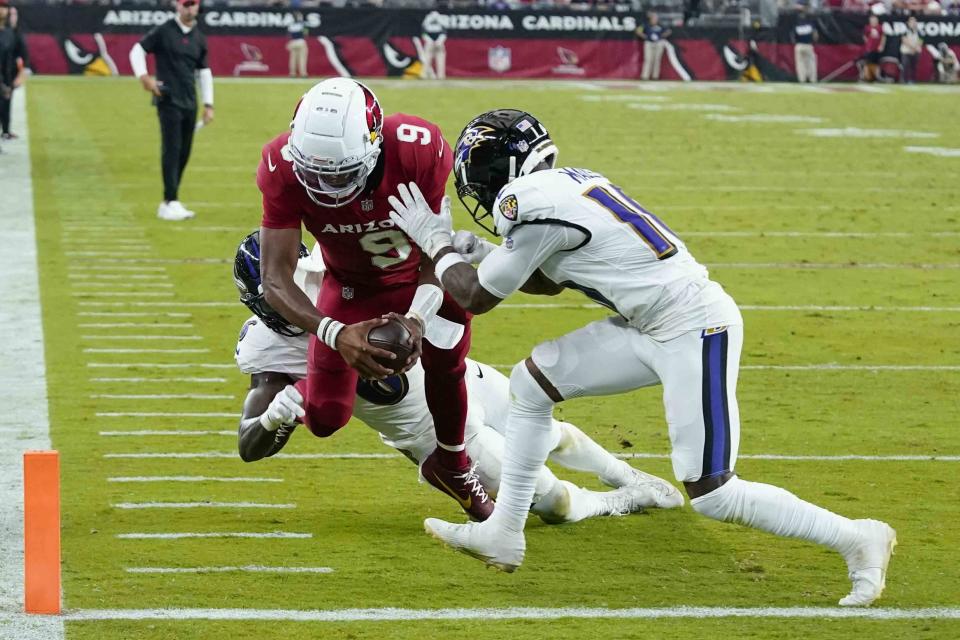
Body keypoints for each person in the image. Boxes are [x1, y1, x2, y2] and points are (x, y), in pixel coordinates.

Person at [388, 109, 897, 607]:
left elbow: (477, 298)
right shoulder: (567, 183)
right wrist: (481, 252)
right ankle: (504, 532)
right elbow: (548, 280)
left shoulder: (528, 201)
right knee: (529, 384)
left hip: (694, 327)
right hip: (647, 323)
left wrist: (436, 243)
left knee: (714, 492)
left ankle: (857, 537)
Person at [231, 231, 684, 525]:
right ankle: (618, 502)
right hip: (431, 435)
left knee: (550, 433)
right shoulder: (268, 350)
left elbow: (422, 275)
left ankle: (626, 476)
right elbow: (248, 447)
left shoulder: (339, 274)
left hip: (458, 378)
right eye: (277, 297)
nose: (289, 302)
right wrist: (274, 418)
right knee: (552, 504)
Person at [255, 78, 492, 522]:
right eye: (315, 172)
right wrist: (335, 332)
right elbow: (274, 278)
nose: (326, 184)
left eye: (341, 172)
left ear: (374, 144)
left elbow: (437, 253)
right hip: (350, 288)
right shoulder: (280, 164)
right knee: (325, 419)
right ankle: (306, 385)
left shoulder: (417, 148)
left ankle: (453, 465)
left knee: (447, 358)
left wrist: (417, 319)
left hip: (422, 275)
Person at [129, 0, 214, 222]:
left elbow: (204, 72)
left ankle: (171, 200)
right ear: (177, 6)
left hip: (190, 101)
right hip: (168, 100)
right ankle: (170, 201)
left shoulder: (199, 37)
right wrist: (144, 77)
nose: (189, 8)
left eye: (193, 4)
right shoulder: (164, 31)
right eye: (185, 4)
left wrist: (208, 104)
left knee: (184, 151)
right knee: (172, 148)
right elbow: (137, 50)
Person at [0, 0, 28, 142]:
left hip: (6, 75)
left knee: (5, 104)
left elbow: (19, 55)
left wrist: (14, 78)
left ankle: (5, 131)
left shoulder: (10, 33)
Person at [636, 12, 671, 80]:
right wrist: (645, 37)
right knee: (648, 59)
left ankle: (655, 76)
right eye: (654, 18)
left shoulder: (661, 25)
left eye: (656, 18)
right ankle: (645, 76)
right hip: (649, 43)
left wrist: (661, 36)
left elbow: (669, 31)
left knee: (657, 60)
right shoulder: (646, 25)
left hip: (659, 43)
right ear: (651, 19)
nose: (655, 20)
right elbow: (638, 31)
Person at [792, 4, 818, 83]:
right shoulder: (810, 20)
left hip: (799, 44)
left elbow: (793, 33)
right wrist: (814, 41)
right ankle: (812, 79)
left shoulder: (795, 20)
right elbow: (815, 34)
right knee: (811, 63)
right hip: (808, 44)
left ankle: (802, 79)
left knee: (800, 63)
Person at [420, 11, 447, 80]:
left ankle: (440, 76)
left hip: (438, 44)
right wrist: (430, 41)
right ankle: (424, 75)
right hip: (430, 44)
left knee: (440, 61)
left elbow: (444, 33)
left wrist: (439, 42)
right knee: (427, 60)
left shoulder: (440, 21)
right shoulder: (427, 21)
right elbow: (423, 33)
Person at [861, 14, 885, 82]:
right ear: (870, 21)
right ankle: (866, 77)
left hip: (877, 49)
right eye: (872, 20)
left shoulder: (880, 27)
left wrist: (881, 45)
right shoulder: (867, 27)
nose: (874, 21)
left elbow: (883, 37)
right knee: (867, 63)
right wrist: (868, 43)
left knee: (877, 64)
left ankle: (876, 77)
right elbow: (864, 36)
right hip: (869, 49)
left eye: (875, 20)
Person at [286, 12, 308, 78]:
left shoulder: (290, 25)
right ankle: (303, 73)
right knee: (302, 59)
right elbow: (306, 33)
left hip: (293, 42)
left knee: (292, 59)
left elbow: (289, 35)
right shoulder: (302, 24)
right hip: (301, 42)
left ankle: (292, 73)